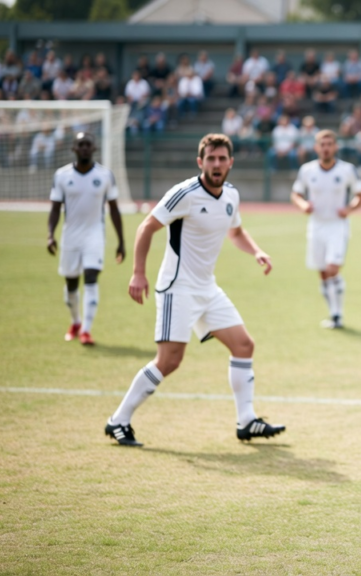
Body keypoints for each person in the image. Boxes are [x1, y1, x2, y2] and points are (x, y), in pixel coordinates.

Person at [105, 134, 282, 447]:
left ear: (230, 162)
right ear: (200, 162)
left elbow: (236, 231)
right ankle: (118, 420)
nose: (216, 164)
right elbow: (147, 226)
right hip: (177, 288)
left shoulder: (231, 196)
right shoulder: (183, 193)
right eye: (210, 159)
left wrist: (256, 251)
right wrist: (138, 273)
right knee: (169, 360)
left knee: (243, 345)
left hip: (207, 287)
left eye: (221, 159)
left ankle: (246, 421)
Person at [46, 133, 125, 346]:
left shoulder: (105, 175)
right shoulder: (61, 175)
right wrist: (50, 235)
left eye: (88, 145)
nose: (84, 148)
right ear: (73, 148)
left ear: (94, 148)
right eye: (80, 144)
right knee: (71, 283)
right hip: (70, 236)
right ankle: (75, 322)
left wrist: (121, 241)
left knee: (91, 278)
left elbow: (115, 209)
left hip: (95, 235)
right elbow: (55, 209)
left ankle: (87, 331)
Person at [290, 131, 361, 329]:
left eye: (329, 144)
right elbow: (296, 193)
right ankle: (333, 314)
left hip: (337, 226)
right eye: (322, 144)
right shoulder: (307, 170)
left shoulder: (347, 170)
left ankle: (337, 314)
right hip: (316, 226)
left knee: (333, 268)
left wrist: (349, 209)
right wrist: (303, 205)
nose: (326, 148)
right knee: (323, 273)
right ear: (316, 147)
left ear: (335, 147)